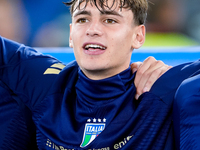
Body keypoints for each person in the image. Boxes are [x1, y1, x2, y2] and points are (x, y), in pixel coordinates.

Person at [0, 0, 199, 149]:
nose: (93, 30)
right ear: (71, 34)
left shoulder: (162, 87)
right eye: (83, 19)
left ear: (138, 36)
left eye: (110, 20)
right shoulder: (44, 82)